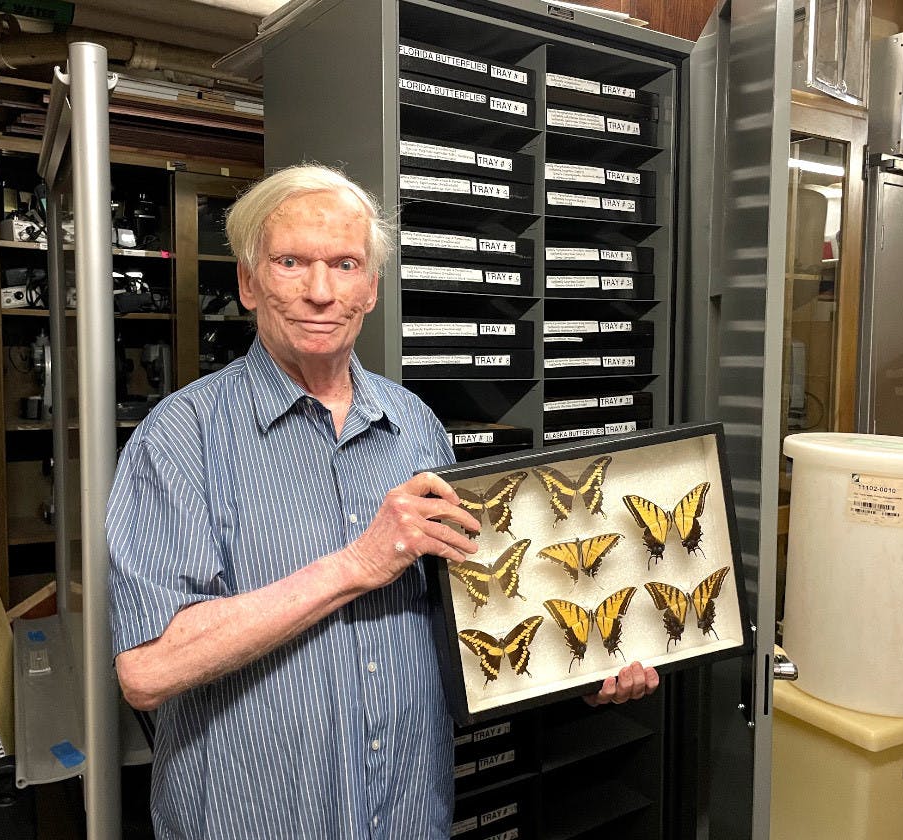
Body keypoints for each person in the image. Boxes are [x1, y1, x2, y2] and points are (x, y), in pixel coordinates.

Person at [107, 164, 659, 838]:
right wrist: (357, 564)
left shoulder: (416, 425)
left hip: (405, 815)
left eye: (345, 264)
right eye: (290, 263)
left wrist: (580, 661)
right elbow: (148, 668)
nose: (320, 291)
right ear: (249, 284)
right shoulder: (180, 438)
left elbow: (471, 610)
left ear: (370, 287)